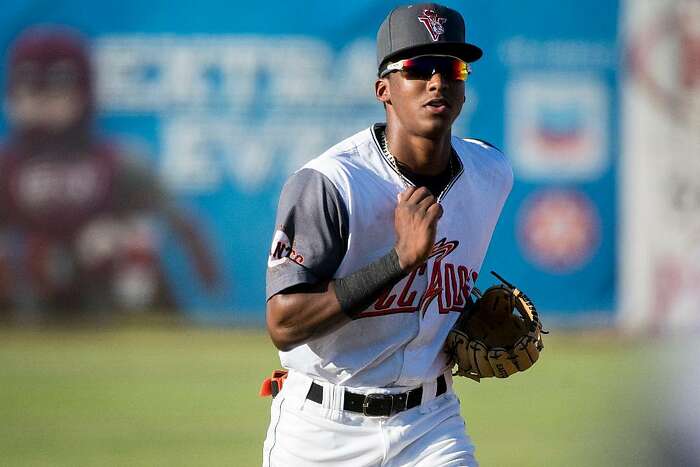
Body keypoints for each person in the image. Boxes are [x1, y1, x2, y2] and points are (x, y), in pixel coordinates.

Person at [263, 4, 512, 466]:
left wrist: (465, 313)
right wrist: (398, 261)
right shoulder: (331, 184)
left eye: (452, 68)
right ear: (384, 89)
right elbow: (284, 323)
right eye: (418, 68)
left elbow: (436, 290)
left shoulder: (491, 172)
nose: (437, 82)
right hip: (324, 427)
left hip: (431, 423)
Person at [0, 26, 219, 321]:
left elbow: (182, 222)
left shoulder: (115, 161)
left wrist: (118, 234)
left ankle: (142, 334)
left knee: (135, 243)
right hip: (26, 292)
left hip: (104, 291)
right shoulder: (7, 165)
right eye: (30, 91)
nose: (42, 104)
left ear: (83, 93)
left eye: (56, 92)